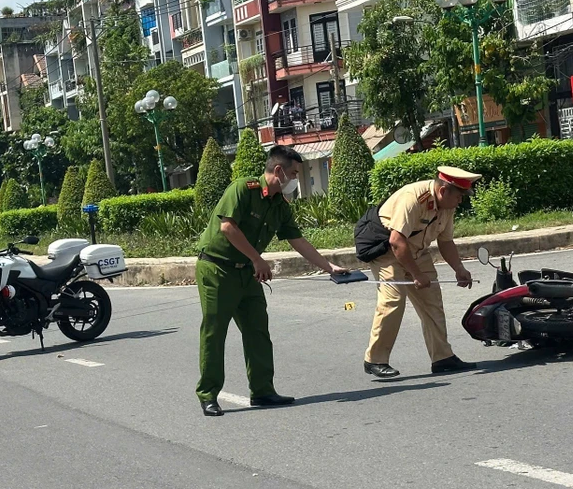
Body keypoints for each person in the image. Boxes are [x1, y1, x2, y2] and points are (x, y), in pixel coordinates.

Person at [195, 145, 349, 417]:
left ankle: (262, 390)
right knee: (214, 332)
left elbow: (297, 240)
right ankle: (208, 394)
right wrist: (257, 259)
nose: (295, 178)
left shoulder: (280, 205)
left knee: (258, 331)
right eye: (292, 172)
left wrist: (328, 267)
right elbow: (227, 227)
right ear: (278, 170)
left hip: (248, 273)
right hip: (217, 270)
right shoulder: (244, 189)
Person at [363, 166, 481, 379]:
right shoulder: (413, 198)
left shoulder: (447, 205)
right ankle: (375, 360)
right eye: (459, 196)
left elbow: (445, 241)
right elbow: (396, 241)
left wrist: (459, 269)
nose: (460, 202)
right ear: (443, 191)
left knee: (432, 301)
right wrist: (417, 275)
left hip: (416, 251)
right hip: (388, 252)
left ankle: (442, 358)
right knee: (393, 301)